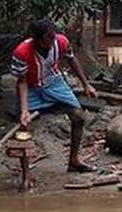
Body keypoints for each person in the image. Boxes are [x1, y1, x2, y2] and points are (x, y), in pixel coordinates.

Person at [10, 19, 98, 172]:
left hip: (54, 82)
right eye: (48, 39)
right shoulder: (22, 52)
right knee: (24, 126)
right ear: (37, 39)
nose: (52, 41)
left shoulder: (61, 42)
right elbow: (22, 82)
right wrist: (25, 110)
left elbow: (72, 60)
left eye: (53, 37)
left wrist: (86, 84)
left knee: (79, 116)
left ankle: (74, 161)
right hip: (31, 88)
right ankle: (26, 174)